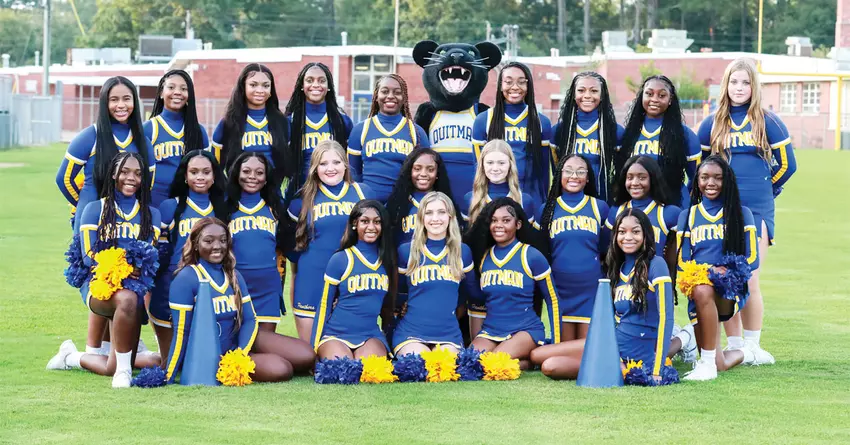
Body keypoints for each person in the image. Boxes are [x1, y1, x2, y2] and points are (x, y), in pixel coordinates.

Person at [697, 58, 796, 364]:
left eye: (746, 82)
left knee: (750, 276)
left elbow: (787, 165)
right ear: (725, 85)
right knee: (726, 277)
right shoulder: (711, 123)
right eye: (734, 82)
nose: (739, 88)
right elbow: (701, 169)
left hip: (758, 209)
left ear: (755, 87)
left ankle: (753, 345)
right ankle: (735, 343)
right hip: (722, 210)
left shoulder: (768, 121)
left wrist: (768, 188)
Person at [55, 77, 155, 358]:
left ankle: (112, 344)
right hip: (94, 222)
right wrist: (84, 207)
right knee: (102, 278)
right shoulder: (91, 135)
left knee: (124, 276)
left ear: (135, 102)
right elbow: (64, 179)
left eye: (127, 99)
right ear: (104, 103)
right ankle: (95, 348)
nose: (121, 105)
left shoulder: (141, 140)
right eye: (114, 99)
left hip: (128, 219)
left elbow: (147, 184)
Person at [46, 152, 161, 388]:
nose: (131, 178)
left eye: (137, 174)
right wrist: (124, 267)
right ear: (113, 174)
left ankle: (70, 357)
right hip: (99, 287)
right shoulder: (95, 209)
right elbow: (90, 257)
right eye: (125, 172)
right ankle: (124, 372)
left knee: (115, 366)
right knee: (128, 299)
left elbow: (148, 258)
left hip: (132, 289)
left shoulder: (152, 215)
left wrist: (132, 268)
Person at [164, 218, 314, 384]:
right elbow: (182, 332)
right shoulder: (186, 279)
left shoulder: (233, 274)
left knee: (306, 355)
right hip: (213, 353)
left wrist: (240, 354)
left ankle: (260, 357)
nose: (217, 246)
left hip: (239, 342)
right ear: (195, 244)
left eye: (223, 240)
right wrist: (168, 376)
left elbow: (250, 319)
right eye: (208, 241)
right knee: (281, 369)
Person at [531, 209, 674, 381]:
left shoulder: (656, 264)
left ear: (646, 235)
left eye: (635, 232)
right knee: (537, 355)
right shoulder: (618, 268)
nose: (628, 237)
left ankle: (681, 340)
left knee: (550, 366)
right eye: (622, 232)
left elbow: (666, 317)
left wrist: (657, 371)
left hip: (636, 353)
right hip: (611, 343)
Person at [676, 155, 759, 380]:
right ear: (697, 181)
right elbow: (683, 261)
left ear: (727, 180)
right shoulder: (688, 215)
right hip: (698, 288)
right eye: (704, 177)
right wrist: (709, 273)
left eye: (718, 178)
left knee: (703, 289)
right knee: (720, 363)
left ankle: (706, 365)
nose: (710, 183)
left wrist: (727, 273)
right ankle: (746, 353)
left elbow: (752, 258)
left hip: (728, 289)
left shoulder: (741, 213)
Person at [286, 140, 373, 341]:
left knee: (350, 348)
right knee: (310, 352)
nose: (330, 168)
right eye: (323, 163)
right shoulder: (301, 200)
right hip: (312, 279)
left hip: (352, 280)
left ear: (345, 164)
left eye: (336, 162)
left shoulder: (363, 193)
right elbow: (293, 253)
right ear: (314, 168)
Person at [464, 198, 560, 365]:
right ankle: (525, 362)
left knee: (494, 362)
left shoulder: (531, 256)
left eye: (506, 220)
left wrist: (556, 344)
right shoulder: (484, 257)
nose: (499, 225)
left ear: (518, 224)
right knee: (468, 361)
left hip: (525, 330)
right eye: (494, 220)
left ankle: (525, 358)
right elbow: (479, 299)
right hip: (491, 331)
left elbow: (553, 300)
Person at [153, 150, 228, 360]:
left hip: (211, 287)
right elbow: (159, 249)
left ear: (214, 175)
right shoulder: (171, 206)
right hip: (171, 284)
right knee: (170, 361)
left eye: (206, 172)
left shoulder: (222, 207)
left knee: (198, 361)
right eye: (194, 172)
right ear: (185, 176)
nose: (200, 177)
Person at [536, 154, 609, 341]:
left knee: (588, 347)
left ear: (588, 178)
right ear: (559, 175)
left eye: (580, 172)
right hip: (560, 290)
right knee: (564, 350)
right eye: (568, 171)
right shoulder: (546, 210)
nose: (574, 176)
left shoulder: (599, 207)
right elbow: (542, 251)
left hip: (590, 288)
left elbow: (605, 248)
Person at [393, 192, 477, 356]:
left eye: (441, 212)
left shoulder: (462, 251)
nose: (435, 218)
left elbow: (470, 293)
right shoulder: (407, 251)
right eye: (429, 213)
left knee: (443, 366)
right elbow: (398, 292)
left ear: (450, 216)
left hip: (449, 335)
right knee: (420, 363)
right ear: (421, 217)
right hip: (411, 333)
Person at [311, 200, 396, 359]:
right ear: (355, 224)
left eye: (377, 222)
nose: (371, 227)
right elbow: (324, 305)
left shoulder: (387, 262)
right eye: (365, 221)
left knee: (369, 369)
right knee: (341, 367)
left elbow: (388, 307)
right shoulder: (340, 259)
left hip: (370, 335)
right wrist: (313, 348)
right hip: (335, 334)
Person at [472, 62, 552, 206]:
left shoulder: (541, 121)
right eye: (508, 82)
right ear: (500, 85)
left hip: (530, 196)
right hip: (494, 197)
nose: (515, 87)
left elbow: (545, 170)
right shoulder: (484, 120)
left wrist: (544, 202)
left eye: (521, 82)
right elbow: (478, 167)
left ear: (528, 85)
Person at [226, 152, 290, 330]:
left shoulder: (275, 207)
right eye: (246, 171)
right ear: (237, 173)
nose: (252, 177)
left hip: (267, 287)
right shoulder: (226, 206)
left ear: (267, 177)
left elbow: (283, 245)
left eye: (259, 172)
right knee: (235, 341)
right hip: (235, 284)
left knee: (265, 342)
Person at [616, 75, 701, 207]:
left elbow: (696, 178)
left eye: (661, 95)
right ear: (642, 96)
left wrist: (683, 200)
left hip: (672, 203)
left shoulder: (685, 135)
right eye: (649, 94)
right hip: (636, 205)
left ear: (670, 99)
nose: (654, 99)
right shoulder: (628, 134)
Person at [348, 74, 430, 203]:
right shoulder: (360, 130)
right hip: (369, 205)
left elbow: (425, 173)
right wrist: (362, 203)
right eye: (385, 91)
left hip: (403, 204)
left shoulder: (417, 132)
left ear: (404, 98)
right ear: (376, 96)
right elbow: (354, 173)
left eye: (397, 92)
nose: (390, 96)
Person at [211, 64, 294, 188]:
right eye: (253, 85)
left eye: (266, 86)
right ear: (243, 87)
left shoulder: (282, 123)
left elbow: (288, 163)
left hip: (272, 194)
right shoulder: (228, 123)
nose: (260, 90)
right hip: (238, 195)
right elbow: (214, 168)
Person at [550, 72, 624, 203]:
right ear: (573, 94)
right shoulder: (560, 130)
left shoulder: (615, 131)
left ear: (602, 95)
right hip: (567, 200)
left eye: (594, 91)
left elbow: (620, 172)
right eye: (581, 90)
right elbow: (556, 169)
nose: (587, 95)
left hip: (602, 200)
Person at [144, 69, 211, 207]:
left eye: (183, 89)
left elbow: (207, 171)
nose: (177, 92)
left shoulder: (198, 131)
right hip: (155, 200)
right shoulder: (149, 128)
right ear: (161, 93)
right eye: (171, 87)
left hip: (188, 201)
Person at [284, 62, 354, 190]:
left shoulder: (342, 121)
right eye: (309, 80)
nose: (316, 85)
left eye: (321, 81)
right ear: (302, 86)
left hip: (334, 192)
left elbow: (351, 162)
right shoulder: (290, 121)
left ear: (328, 86)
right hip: (300, 192)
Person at [608, 156, 680, 272]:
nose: (635, 183)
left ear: (653, 179)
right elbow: (607, 250)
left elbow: (675, 256)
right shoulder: (616, 211)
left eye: (642, 178)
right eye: (630, 178)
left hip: (655, 277)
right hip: (622, 278)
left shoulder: (669, 213)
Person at [386, 147, 457, 246]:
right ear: (409, 171)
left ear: (437, 173)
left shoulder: (446, 203)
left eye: (430, 170)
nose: (423, 174)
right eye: (417, 169)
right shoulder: (396, 204)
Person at [464, 139, 535, 225]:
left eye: (501, 163)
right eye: (490, 163)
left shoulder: (524, 201)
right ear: (482, 165)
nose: (495, 168)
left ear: (510, 165)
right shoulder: (470, 199)